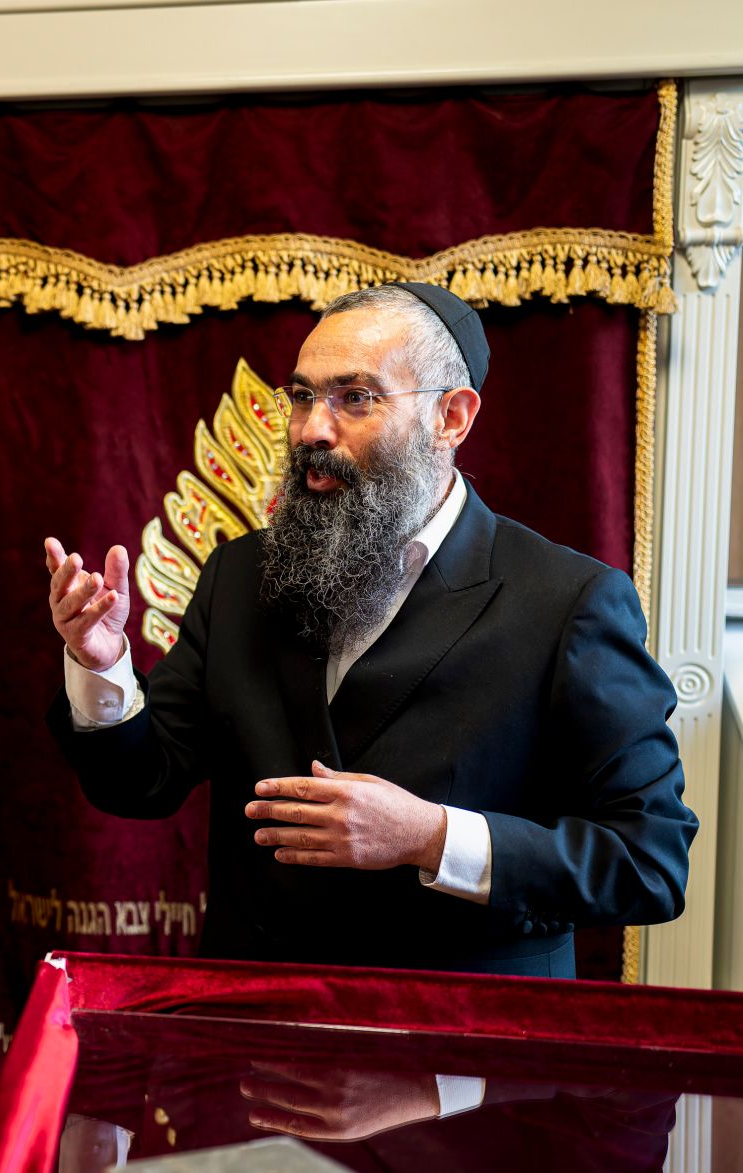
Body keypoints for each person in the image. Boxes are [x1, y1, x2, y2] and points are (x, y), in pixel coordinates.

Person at [43, 282, 696, 978]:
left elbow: (648, 861)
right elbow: (144, 782)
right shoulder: (240, 574)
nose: (312, 431)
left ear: (452, 416)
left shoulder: (569, 602)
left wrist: (430, 836)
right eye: (301, 396)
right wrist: (101, 667)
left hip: (463, 1055)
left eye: (355, 398)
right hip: (258, 1036)